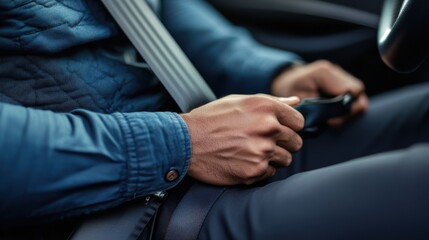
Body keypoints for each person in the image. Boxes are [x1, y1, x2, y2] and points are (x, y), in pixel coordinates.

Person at [0, 0, 428, 239]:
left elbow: (145, 8)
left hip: (185, 145)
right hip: (110, 210)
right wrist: (182, 143)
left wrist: (271, 73)